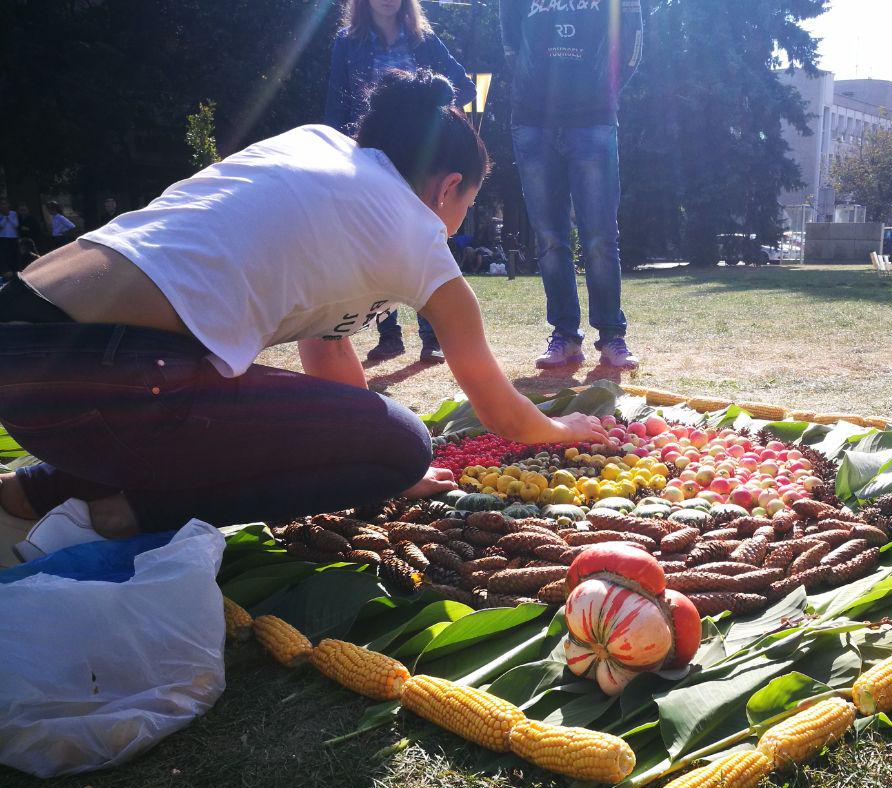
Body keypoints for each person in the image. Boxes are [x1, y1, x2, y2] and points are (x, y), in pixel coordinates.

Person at [0, 70, 607, 562]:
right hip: (111, 375)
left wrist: (371, 452)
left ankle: (33, 490)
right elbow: (498, 403)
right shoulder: (415, 230)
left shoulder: (315, 143)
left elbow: (329, 347)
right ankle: (120, 516)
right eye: (466, 207)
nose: (456, 227)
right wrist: (559, 430)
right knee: (407, 444)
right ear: (449, 187)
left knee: (385, 444)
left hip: (24, 350)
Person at [326, 0, 476, 366]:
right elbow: (335, 101)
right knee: (377, 238)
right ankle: (388, 335)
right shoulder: (348, 41)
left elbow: (465, 87)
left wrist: (434, 114)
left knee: (425, 235)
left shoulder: (423, 39)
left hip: (422, 158)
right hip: (371, 155)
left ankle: (432, 337)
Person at [501, 0, 644, 371]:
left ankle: (612, 335)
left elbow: (631, 41)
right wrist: (533, 92)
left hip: (593, 118)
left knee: (600, 236)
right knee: (549, 238)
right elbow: (509, 43)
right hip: (533, 120)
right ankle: (564, 335)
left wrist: (601, 93)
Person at [0, 199, 18, 282]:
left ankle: (15, 272)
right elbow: (1, 226)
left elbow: (16, 225)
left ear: (8, 205)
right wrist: (4, 218)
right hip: (3, 237)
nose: (3, 206)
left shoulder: (13, 213)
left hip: (13, 237)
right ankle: (7, 273)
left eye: (5, 204)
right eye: (2, 204)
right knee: (5, 255)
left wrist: (8, 217)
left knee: (13, 254)